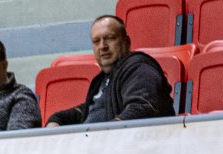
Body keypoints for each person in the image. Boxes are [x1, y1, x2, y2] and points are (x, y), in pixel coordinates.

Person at [45, 16, 175, 126]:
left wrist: (104, 136)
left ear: (127, 42)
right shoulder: (104, 78)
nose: (102, 46)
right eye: (96, 41)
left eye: (110, 38)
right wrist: (57, 119)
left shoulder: (139, 68)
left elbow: (141, 108)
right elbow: (92, 109)